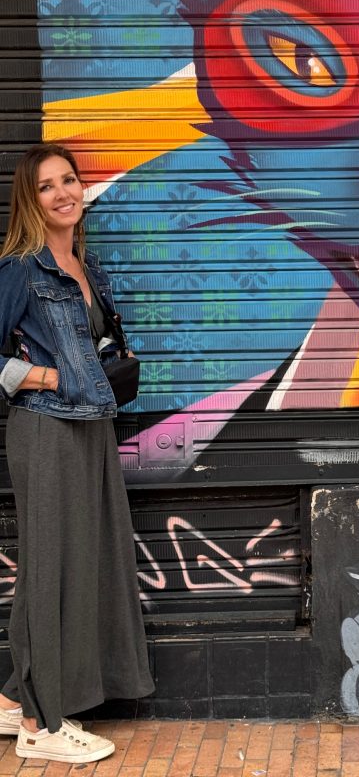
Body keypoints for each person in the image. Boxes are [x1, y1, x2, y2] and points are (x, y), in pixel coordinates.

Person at [0, 143, 154, 763]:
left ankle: (15, 701)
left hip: (91, 427)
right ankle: (43, 726)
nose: (64, 193)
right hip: (44, 429)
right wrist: (50, 379)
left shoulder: (88, 268)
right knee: (51, 570)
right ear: (28, 199)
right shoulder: (18, 269)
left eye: (70, 180)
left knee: (81, 563)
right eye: (47, 186)